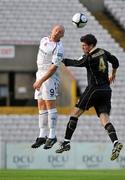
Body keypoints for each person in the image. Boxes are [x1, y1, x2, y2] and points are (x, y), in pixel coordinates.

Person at [55, 34, 123, 161]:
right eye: (82, 45)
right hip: (106, 90)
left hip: (94, 89)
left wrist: (59, 60)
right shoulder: (103, 51)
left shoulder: (89, 57)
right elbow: (116, 61)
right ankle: (115, 142)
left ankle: (66, 142)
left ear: (91, 45)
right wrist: (113, 74)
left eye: (84, 45)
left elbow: (75, 62)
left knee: (74, 114)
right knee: (105, 119)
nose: (82, 48)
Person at [31, 25, 65, 149]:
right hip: (39, 72)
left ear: (62, 35)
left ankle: (52, 135)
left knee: (50, 104)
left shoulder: (59, 48)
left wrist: (40, 81)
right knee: (41, 105)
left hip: (49, 77)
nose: (57, 32)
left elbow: (53, 68)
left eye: (60, 32)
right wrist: (39, 78)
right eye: (56, 30)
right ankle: (42, 135)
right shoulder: (43, 40)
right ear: (52, 30)